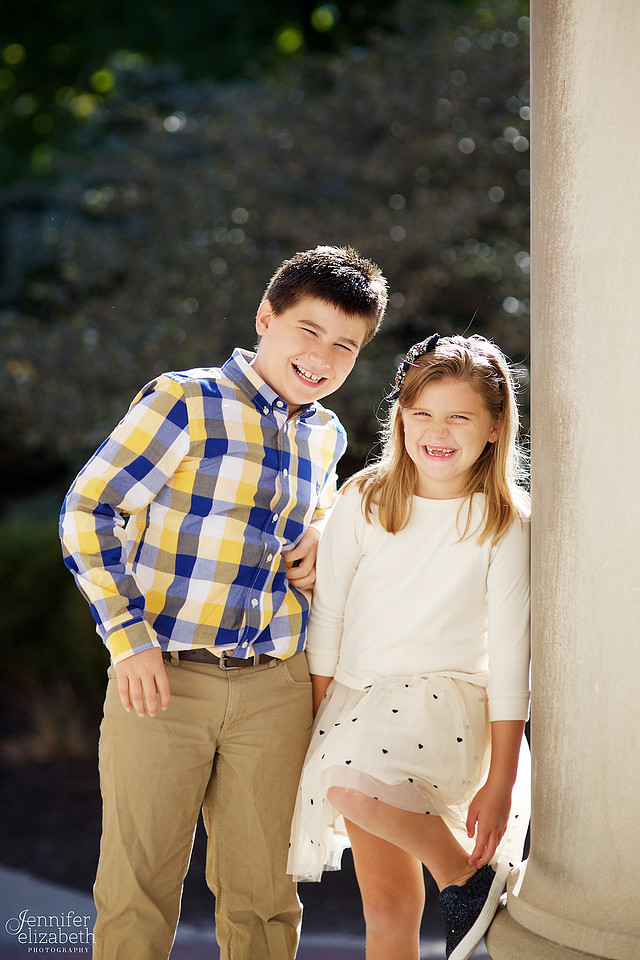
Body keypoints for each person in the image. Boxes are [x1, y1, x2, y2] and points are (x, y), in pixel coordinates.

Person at [59, 245, 388, 960]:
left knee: (266, 896)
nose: (322, 357)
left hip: (277, 686)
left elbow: (321, 522)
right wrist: (129, 638)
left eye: (345, 346)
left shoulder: (325, 435)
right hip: (166, 677)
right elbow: (89, 512)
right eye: (308, 330)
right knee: (138, 888)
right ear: (266, 317)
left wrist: (325, 533)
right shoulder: (186, 401)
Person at [287, 333, 531, 960]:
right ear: (400, 415)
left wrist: (500, 779)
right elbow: (330, 618)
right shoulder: (366, 499)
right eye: (421, 412)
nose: (437, 430)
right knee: (387, 908)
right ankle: (467, 889)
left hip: (445, 705)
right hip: (357, 703)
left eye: (458, 416)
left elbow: (510, 658)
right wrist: (321, 717)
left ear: (495, 426)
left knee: (348, 783)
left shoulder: (505, 521)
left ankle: (466, 880)